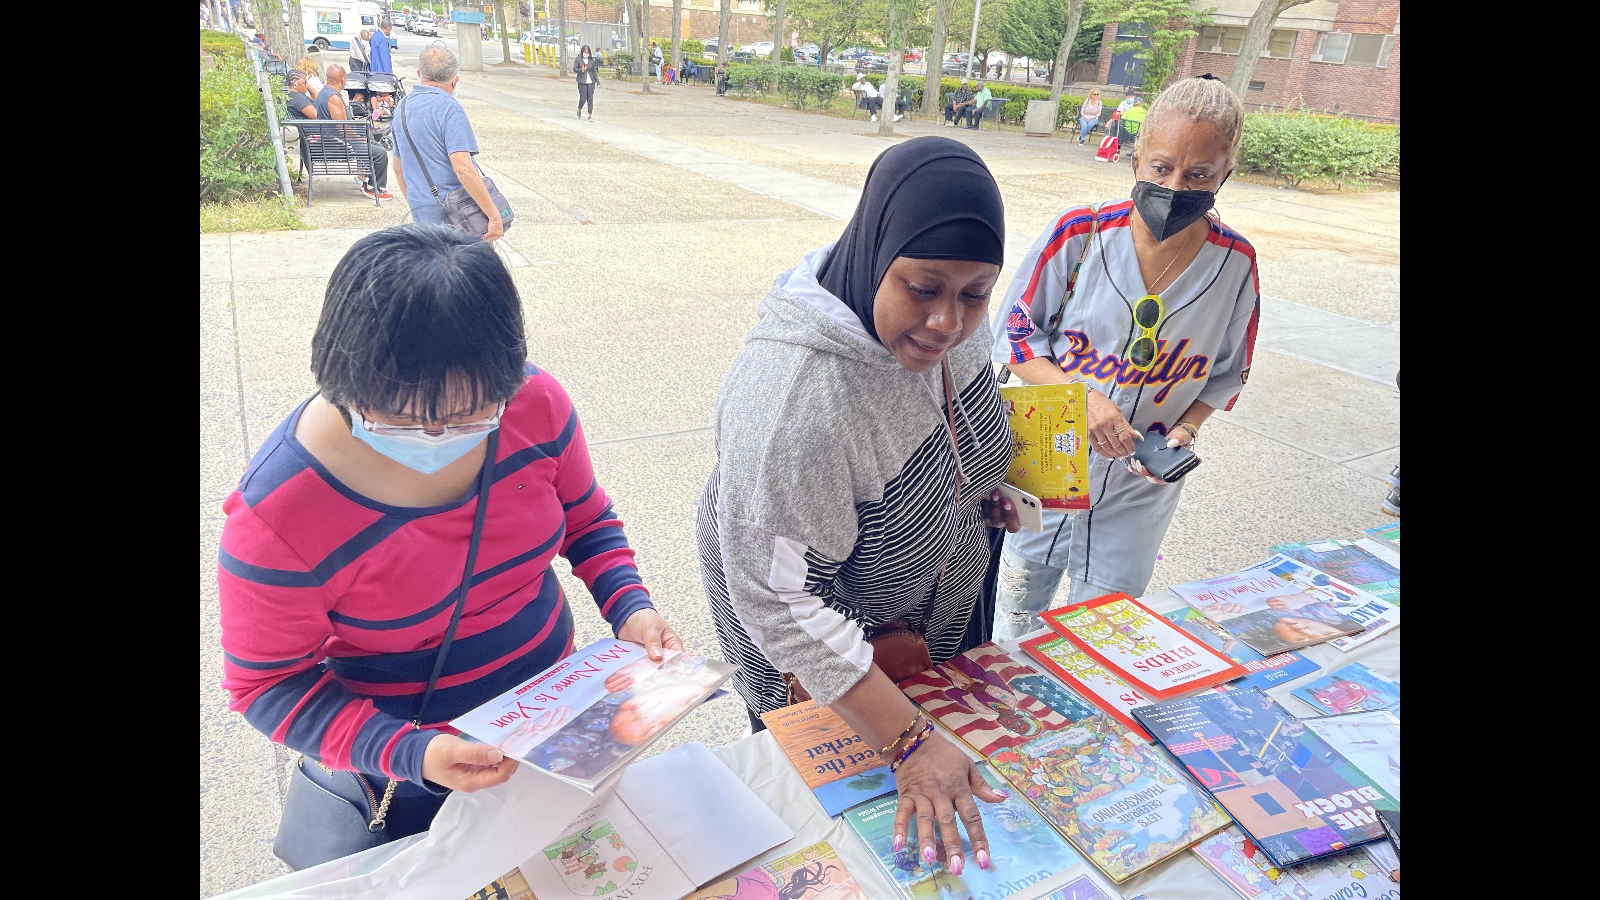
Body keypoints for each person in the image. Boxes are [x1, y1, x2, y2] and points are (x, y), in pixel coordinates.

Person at [218, 224, 685, 864]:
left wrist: (630, 605)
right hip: (407, 768)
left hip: (555, 725)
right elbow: (268, 686)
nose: (439, 437)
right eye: (401, 418)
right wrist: (414, 753)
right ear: (340, 377)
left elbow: (587, 520)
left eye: (472, 416)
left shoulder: (534, 404)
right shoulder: (278, 513)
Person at [698, 137, 1022, 876]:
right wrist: (906, 742)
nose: (947, 322)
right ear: (877, 255)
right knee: (836, 845)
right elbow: (781, 603)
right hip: (817, 639)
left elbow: (954, 424)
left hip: (924, 612)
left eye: (975, 293)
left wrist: (979, 490)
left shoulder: (952, 324)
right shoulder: (795, 402)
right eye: (923, 287)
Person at [988, 76, 1260, 641]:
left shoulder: (1234, 264)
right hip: (1051, 460)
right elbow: (1014, 336)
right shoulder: (1080, 233)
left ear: (1224, 176)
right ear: (1136, 159)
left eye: (1199, 175)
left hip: (1141, 483)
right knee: (1015, 618)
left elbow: (1228, 372)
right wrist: (1082, 397)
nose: (1176, 185)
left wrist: (1186, 429)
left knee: (1101, 636)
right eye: (1161, 168)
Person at [391, 46, 505, 242]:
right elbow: (463, 168)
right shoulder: (450, 110)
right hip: (457, 214)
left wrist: (416, 203)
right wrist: (494, 216)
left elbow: (398, 168)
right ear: (455, 79)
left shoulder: (401, 107)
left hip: (421, 210)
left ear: (419, 74)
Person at [316, 64, 393, 200]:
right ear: (342, 78)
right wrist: (359, 138)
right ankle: (373, 188)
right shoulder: (333, 97)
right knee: (380, 154)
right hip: (336, 143)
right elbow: (342, 128)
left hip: (332, 138)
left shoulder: (325, 92)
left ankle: (365, 178)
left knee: (372, 140)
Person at [575, 45, 599, 120]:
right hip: (582, 81)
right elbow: (575, 69)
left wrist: (598, 82)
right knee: (583, 98)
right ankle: (579, 109)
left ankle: (589, 115)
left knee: (590, 99)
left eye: (587, 52)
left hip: (591, 81)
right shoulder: (578, 59)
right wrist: (581, 70)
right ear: (582, 52)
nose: (586, 53)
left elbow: (594, 71)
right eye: (585, 52)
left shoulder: (592, 60)